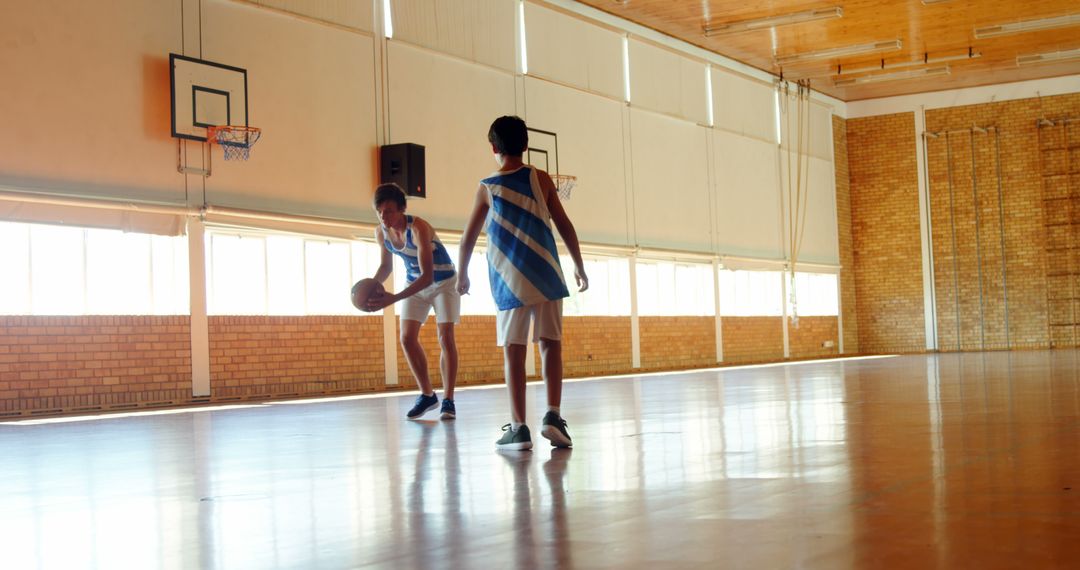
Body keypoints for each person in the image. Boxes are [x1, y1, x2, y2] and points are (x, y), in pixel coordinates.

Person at [457, 115, 588, 450]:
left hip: (509, 277)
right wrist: (579, 265)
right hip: (546, 271)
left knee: (514, 353)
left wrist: (463, 273)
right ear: (526, 144)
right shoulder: (540, 177)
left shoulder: (487, 186)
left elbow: (468, 238)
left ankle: (519, 428)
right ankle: (553, 416)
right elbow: (565, 225)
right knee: (550, 344)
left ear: (493, 147)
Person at [365, 183, 460, 420]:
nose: (384, 217)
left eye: (388, 211)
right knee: (406, 338)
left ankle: (448, 399)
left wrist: (394, 298)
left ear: (402, 209)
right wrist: (373, 287)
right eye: (380, 212)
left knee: (445, 336)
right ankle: (427, 395)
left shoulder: (418, 228)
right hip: (414, 284)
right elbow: (386, 266)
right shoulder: (381, 232)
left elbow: (428, 275)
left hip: (443, 282)